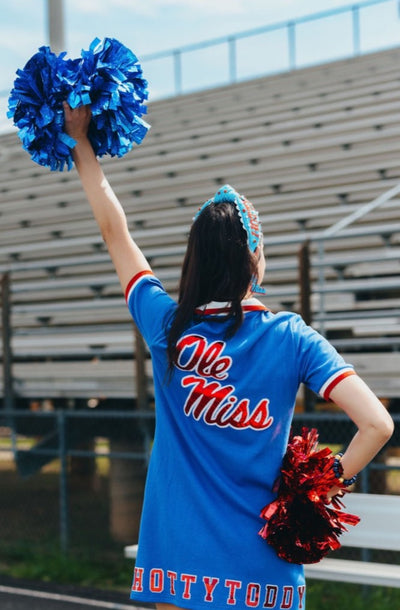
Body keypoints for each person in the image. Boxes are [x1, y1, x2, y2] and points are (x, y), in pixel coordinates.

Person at [63, 103, 394, 610]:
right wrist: (317, 493)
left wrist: (81, 141)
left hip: (177, 562)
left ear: (195, 257)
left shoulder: (166, 325)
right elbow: (377, 424)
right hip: (265, 568)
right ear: (254, 258)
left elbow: (115, 232)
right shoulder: (293, 337)